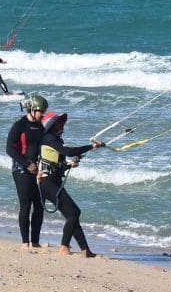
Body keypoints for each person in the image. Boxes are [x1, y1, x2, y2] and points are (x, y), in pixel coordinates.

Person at [37, 111, 105, 257]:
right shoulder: (48, 138)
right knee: (74, 213)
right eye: (59, 122)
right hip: (47, 183)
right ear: (52, 126)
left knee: (72, 215)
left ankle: (85, 250)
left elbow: (54, 162)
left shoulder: (55, 140)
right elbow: (67, 151)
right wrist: (91, 146)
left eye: (62, 122)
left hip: (53, 181)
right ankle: (63, 247)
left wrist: (69, 165)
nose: (62, 124)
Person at [6, 94, 48, 248]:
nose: (42, 114)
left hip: (37, 170)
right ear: (31, 109)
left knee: (39, 205)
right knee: (26, 204)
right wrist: (26, 164)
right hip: (20, 169)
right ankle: (25, 242)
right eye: (40, 111)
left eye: (43, 111)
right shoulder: (19, 125)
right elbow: (9, 149)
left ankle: (35, 242)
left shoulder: (41, 127)